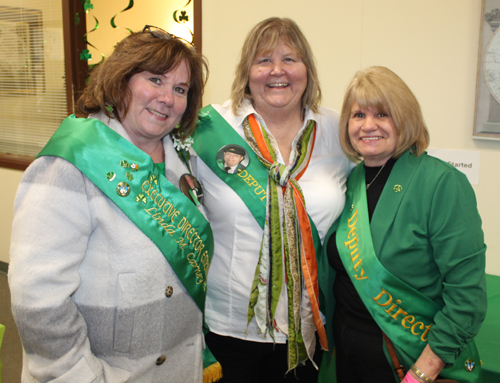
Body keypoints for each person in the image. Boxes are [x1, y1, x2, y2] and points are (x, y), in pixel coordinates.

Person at [8, 26, 218, 383]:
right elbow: (38, 301)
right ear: (120, 79)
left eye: (180, 89)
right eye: (155, 79)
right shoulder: (69, 165)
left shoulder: (182, 164)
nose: (167, 97)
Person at [192, 17, 353, 382]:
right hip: (228, 328)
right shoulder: (207, 128)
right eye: (263, 60)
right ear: (246, 71)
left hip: (307, 329)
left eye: (289, 59)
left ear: (307, 71)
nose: (277, 70)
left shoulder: (337, 131)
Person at [318, 66, 487, 383]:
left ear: (405, 118)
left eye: (382, 114)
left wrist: (422, 373)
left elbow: (468, 299)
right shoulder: (348, 180)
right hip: (347, 356)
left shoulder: (441, 183)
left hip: (410, 362)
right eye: (358, 115)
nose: (369, 125)